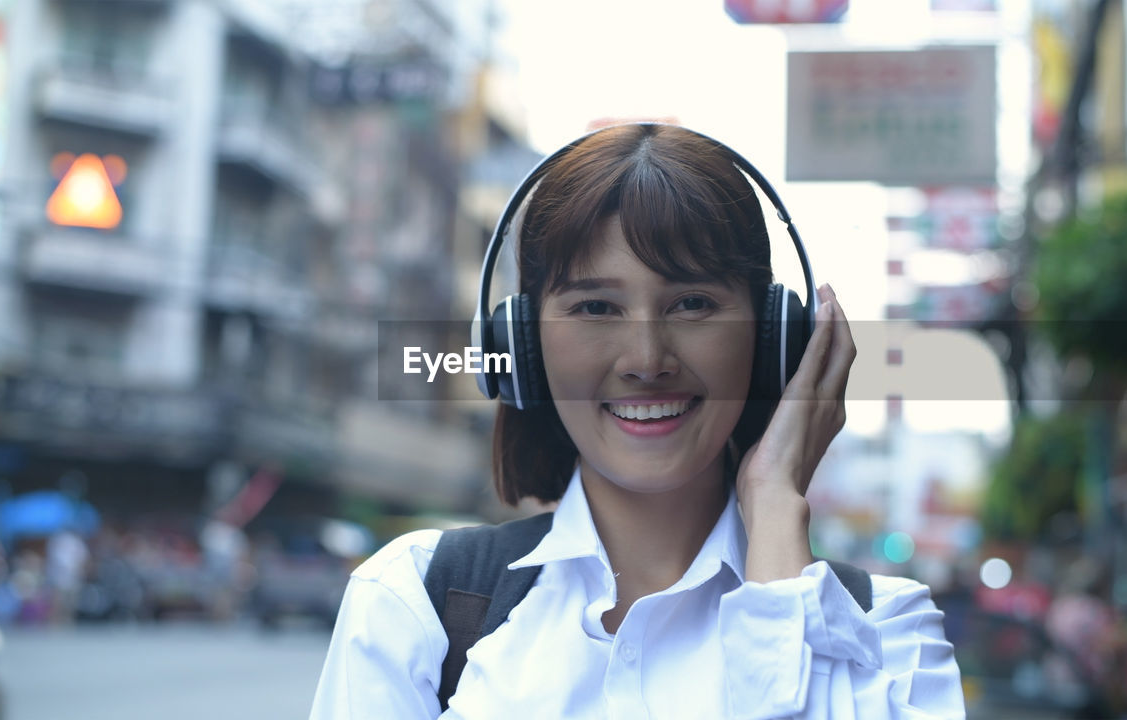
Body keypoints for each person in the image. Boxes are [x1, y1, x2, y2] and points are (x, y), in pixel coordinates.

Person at [310, 123, 964, 718]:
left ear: (773, 340)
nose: (647, 359)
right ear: (522, 345)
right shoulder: (413, 603)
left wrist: (773, 507)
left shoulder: (889, 636)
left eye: (693, 303)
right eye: (596, 307)